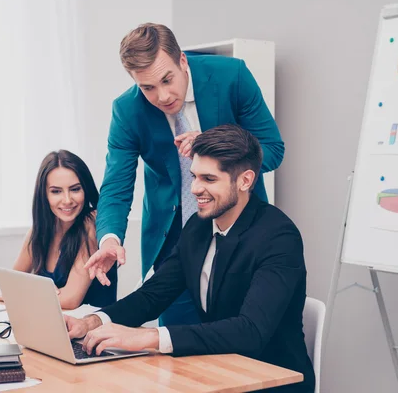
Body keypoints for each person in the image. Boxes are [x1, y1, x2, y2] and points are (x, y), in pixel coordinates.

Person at [67, 125, 315, 393]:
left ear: (244, 181)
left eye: (209, 179)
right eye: (194, 176)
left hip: (273, 380)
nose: (195, 188)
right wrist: (92, 321)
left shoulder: (278, 236)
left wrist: (150, 336)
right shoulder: (198, 226)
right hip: (218, 369)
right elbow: (153, 295)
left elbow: (250, 331)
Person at [87, 23, 285, 326]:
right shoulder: (128, 110)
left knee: (239, 345)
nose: (163, 96)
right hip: (176, 247)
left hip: (240, 237)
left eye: (167, 80)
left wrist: (212, 146)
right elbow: (116, 184)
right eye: (148, 88)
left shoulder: (232, 77)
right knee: (173, 354)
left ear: (182, 60)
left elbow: (272, 149)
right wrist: (109, 239)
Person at [0, 150, 116, 310]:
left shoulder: (91, 222)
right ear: (43, 194)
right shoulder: (40, 230)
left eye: (75, 189)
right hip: (53, 326)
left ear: (85, 190)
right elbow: (9, 286)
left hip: (92, 330)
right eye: (56, 191)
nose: (67, 200)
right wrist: (39, 292)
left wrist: (29, 292)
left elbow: (71, 299)